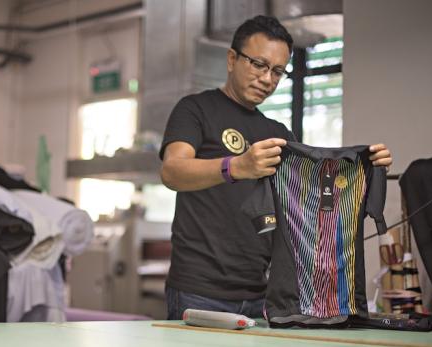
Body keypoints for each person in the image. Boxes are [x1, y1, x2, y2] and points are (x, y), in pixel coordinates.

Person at [159, 15, 392, 320]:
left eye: (278, 71)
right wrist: (237, 166)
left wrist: (364, 171)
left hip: (262, 293)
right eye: (259, 64)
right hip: (199, 290)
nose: (268, 79)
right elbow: (172, 172)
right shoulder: (195, 109)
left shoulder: (278, 133)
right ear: (232, 59)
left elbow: (310, 202)